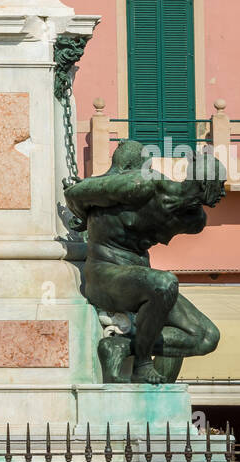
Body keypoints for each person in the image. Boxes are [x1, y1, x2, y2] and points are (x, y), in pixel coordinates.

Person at [64, 141, 225, 383]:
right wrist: (85, 218)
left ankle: (120, 347)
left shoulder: (194, 220)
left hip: (139, 280)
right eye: (219, 185)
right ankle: (142, 364)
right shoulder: (143, 184)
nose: (222, 193)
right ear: (203, 183)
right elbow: (74, 194)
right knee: (165, 282)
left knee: (206, 337)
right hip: (104, 273)